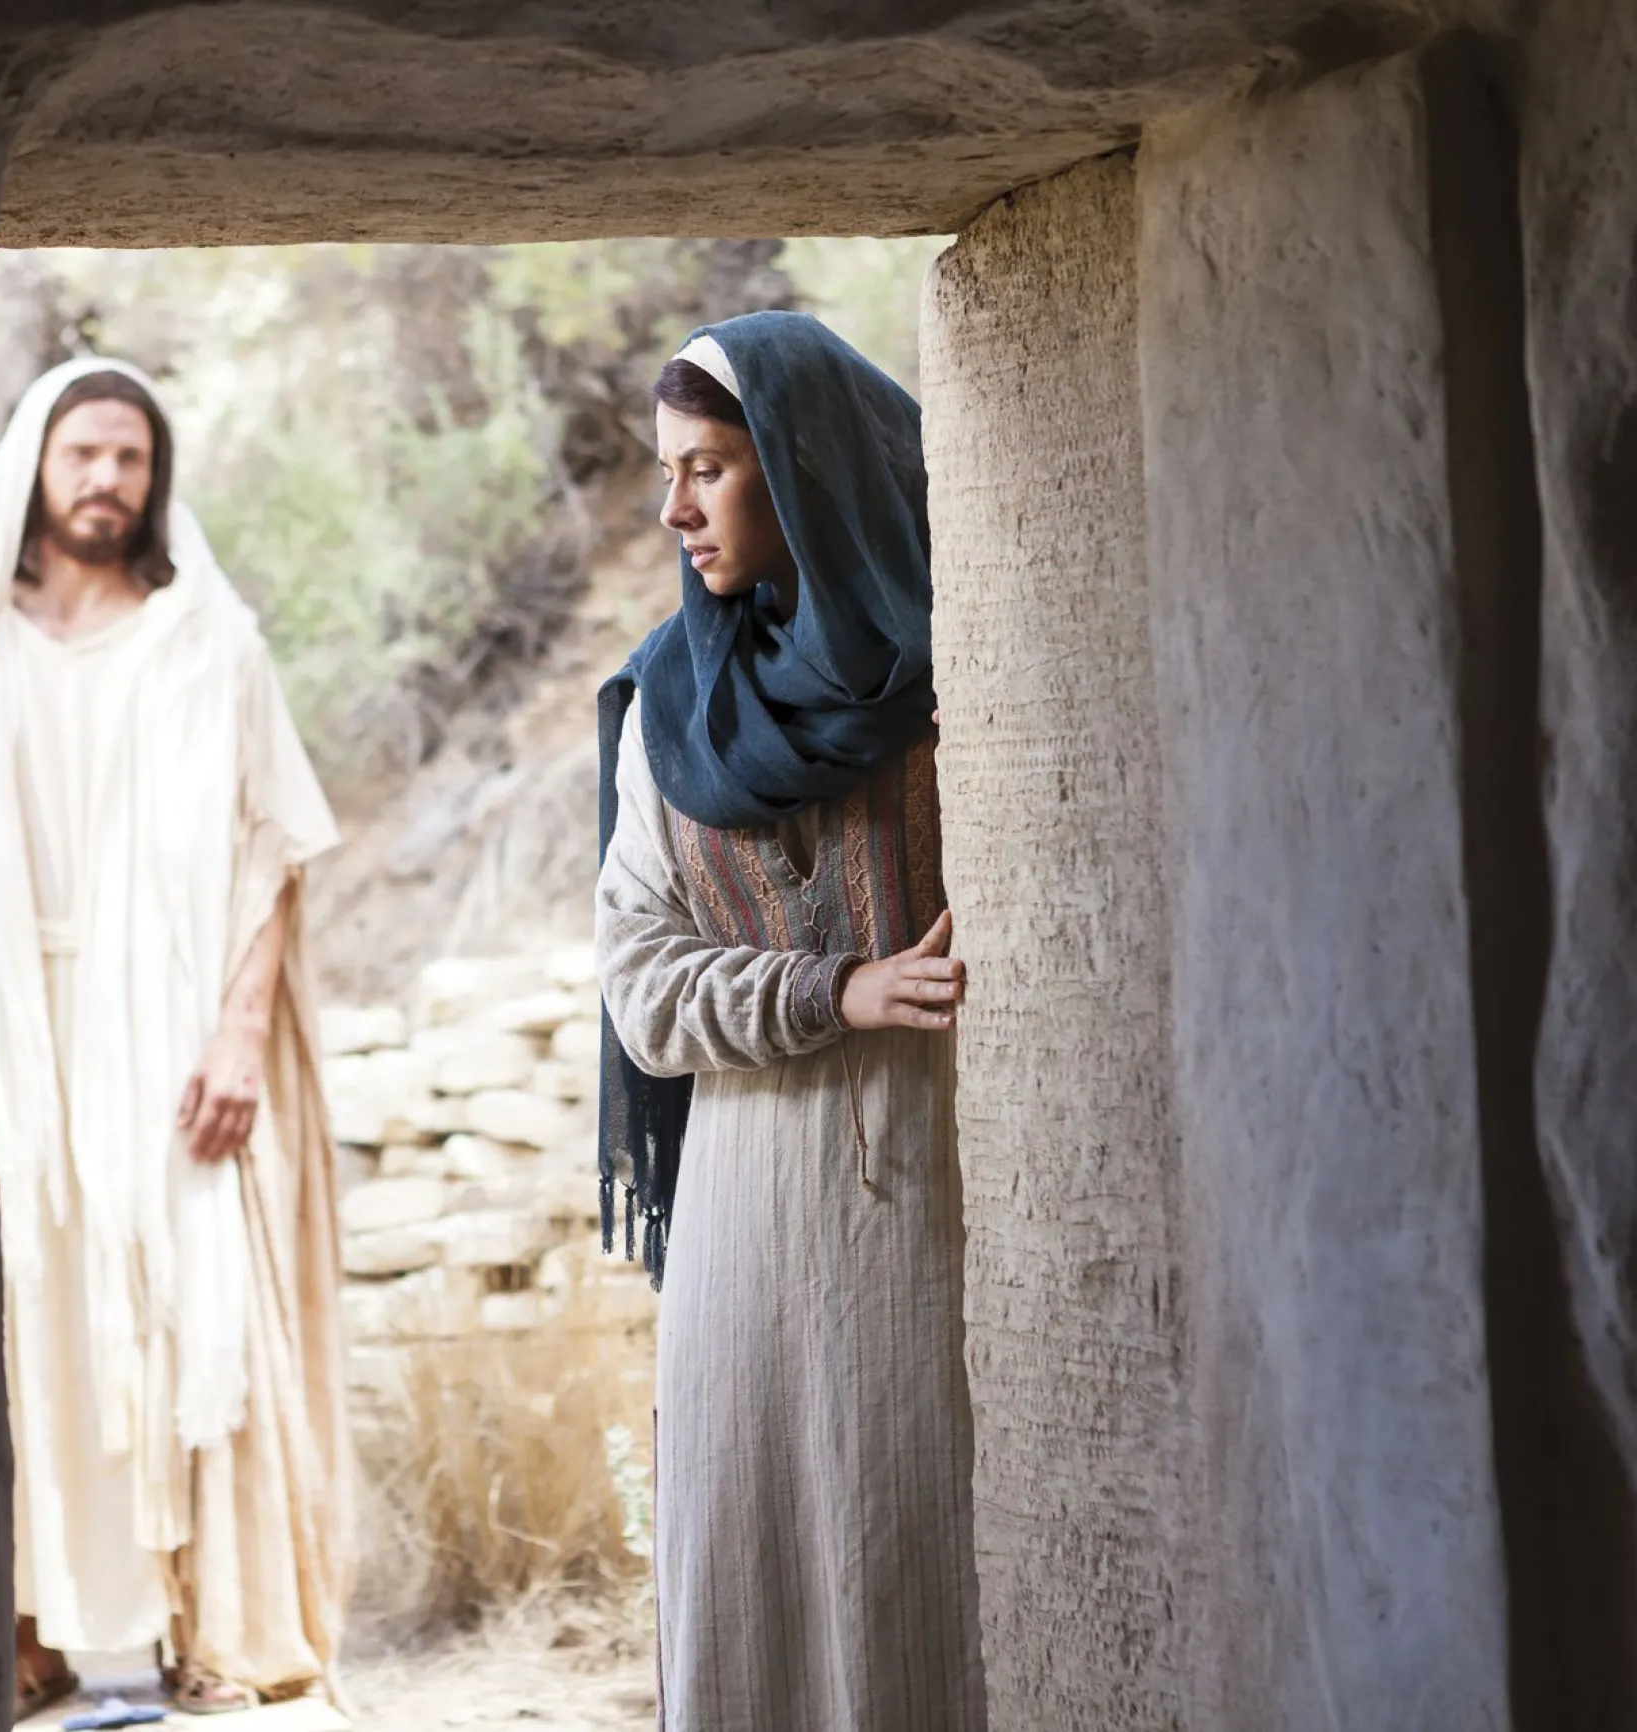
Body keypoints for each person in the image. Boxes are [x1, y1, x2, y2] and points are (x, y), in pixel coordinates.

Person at [592, 312, 989, 1730]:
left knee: (925, 1546)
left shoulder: (966, 673)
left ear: (805, 471)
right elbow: (641, 983)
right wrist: (838, 990)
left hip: (942, 1193)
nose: (674, 508)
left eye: (709, 468)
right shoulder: (671, 706)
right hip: (748, 1208)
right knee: (755, 1558)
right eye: (666, 473)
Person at [0, 358, 352, 1720]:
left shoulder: (208, 643)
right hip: (15, 1020)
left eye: (130, 457)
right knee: (24, 1301)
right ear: (36, 467)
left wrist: (240, 1036)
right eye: (83, 453)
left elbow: (273, 846)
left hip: (174, 1020)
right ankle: (19, 1628)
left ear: (157, 479)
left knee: (192, 1301)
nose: (107, 480)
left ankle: (219, 1628)